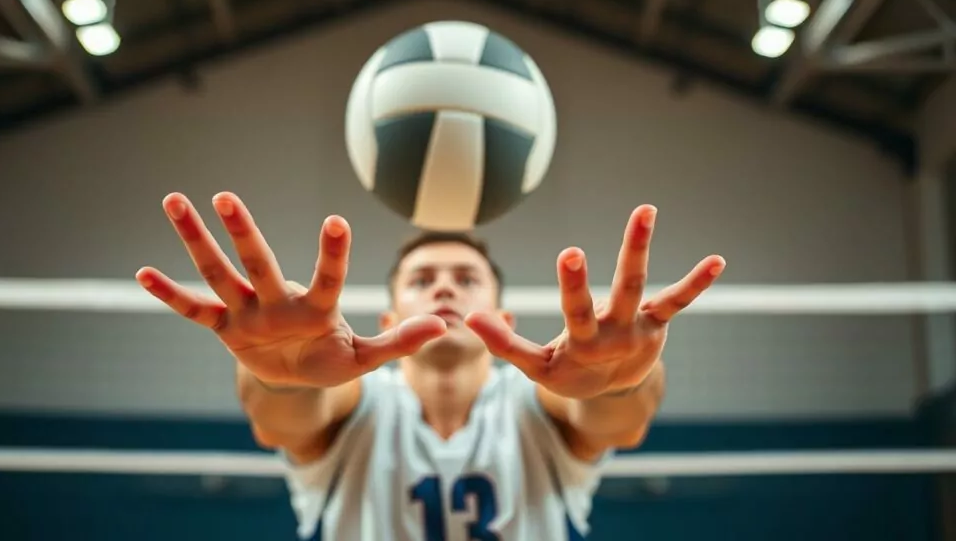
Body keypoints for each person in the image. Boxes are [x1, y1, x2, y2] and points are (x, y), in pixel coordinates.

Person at [136, 191, 725, 541]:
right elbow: (284, 420)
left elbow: (615, 421)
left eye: (467, 279)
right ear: (391, 314)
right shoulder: (360, 400)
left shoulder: (530, 403)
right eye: (423, 280)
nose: (445, 288)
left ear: (505, 317)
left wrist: (621, 381)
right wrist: (276, 376)